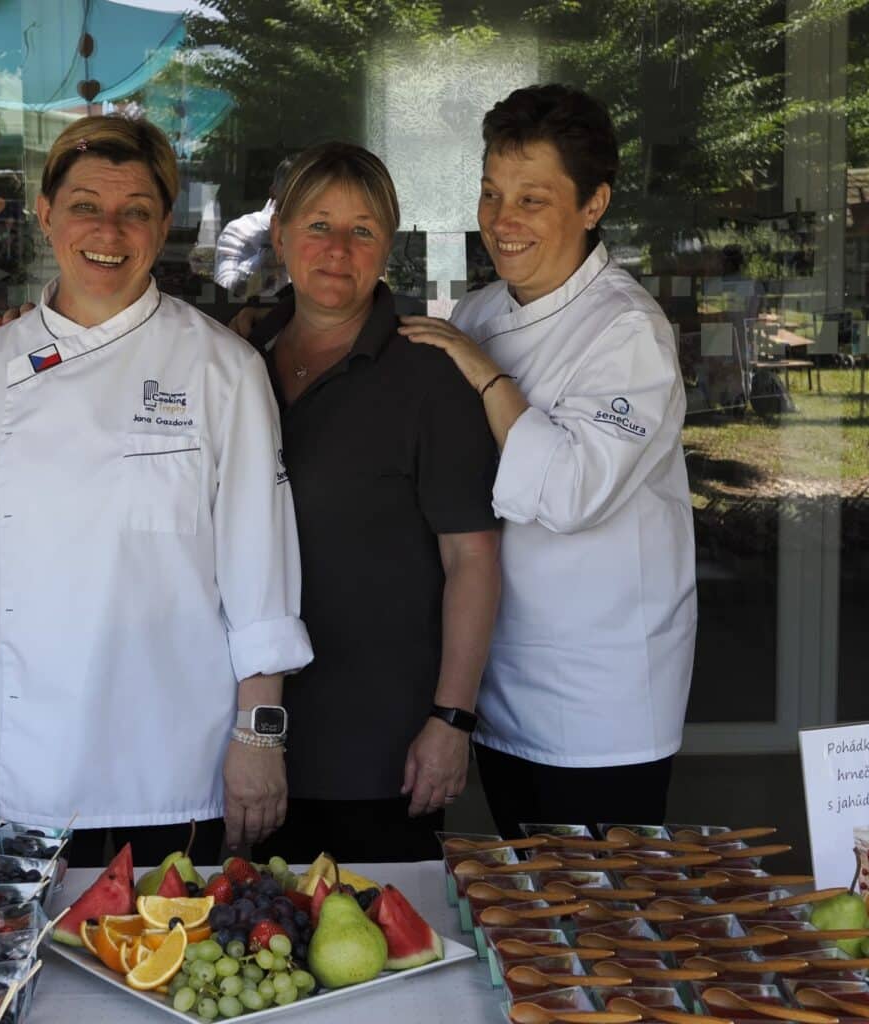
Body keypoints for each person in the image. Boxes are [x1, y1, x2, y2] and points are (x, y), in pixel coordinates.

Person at [0, 114, 313, 866]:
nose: (109, 231)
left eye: (136, 211)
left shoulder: (223, 369)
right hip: (21, 774)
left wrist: (259, 740)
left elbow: (262, 581)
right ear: (46, 215)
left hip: (175, 769)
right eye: (85, 205)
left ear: (164, 226)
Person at [399, 84, 697, 834]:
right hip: (501, 679)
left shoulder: (627, 330)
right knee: (523, 893)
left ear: (593, 204)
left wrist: (486, 376)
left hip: (600, 697)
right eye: (491, 194)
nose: (502, 221)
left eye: (532, 200)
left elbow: (568, 493)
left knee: (601, 902)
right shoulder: (479, 313)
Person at [248, 143, 501, 862]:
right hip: (238, 744)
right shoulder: (235, 358)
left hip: (377, 752)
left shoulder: (429, 373)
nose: (337, 249)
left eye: (362, 230)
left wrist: (451, 720)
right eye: (317, 225)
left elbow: (473, 559)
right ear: (280, 236)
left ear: (387, 246)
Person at [213, 157, 294, 299]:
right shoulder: (241, 230)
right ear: (274, 192)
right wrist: (265, 260)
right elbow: (225, 295)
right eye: (293, 193)